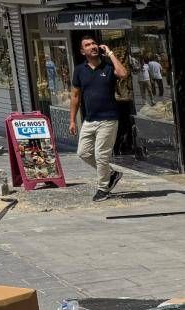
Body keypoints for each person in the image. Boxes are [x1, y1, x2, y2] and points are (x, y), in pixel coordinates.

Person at [70, 35, 128, 201]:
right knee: (83, 152)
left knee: (101, 156)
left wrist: (110, 53)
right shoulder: (79, 70)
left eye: (94, 43)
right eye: (88, 45)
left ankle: (103, 188)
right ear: (83, 51)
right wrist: (72, 120)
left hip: (108, 119)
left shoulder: (108, 66)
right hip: (89, 119)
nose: (92, 46)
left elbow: (123, 74)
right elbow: (75, 96)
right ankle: (111, 174)